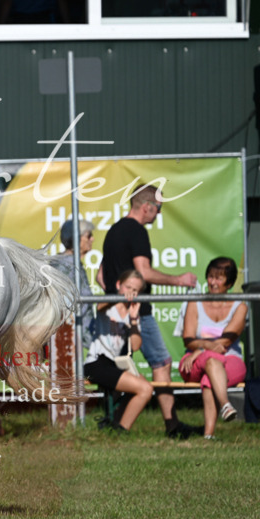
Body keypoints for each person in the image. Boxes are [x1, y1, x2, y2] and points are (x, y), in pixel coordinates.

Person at [99, 185, 201, 438]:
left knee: (120, 367)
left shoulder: (113, 231)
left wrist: (117, 296)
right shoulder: (137, 231)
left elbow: (101, 276)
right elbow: (143, 272)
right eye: (158, 209)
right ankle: (172, 425)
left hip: (114, 311)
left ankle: (114, 421)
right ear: (146, 207)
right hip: (138, 312)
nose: (158, 215)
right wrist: (179, 280)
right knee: (161, 362)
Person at [177, 257, 248, 438]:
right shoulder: (195, 302)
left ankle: (208, 435)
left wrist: (201, 348)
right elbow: (188, 339)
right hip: (193, 361)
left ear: (230, 283)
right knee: (211, 360)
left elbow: (226, 341)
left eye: (219, 278)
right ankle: (225, 404)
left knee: (209, 377)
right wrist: (203, 348)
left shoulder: (240, 307)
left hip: (230, 360)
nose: (212, 283)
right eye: (210, 277)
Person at [84, 270, 152, 432]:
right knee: (145, 389)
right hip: (96, 363)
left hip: (115, 365)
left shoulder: (133, 313)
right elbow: (100, 306)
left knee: (144, 385)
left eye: (135, 290)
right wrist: (117, 298)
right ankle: (121, 429)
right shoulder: (108, 305)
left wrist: (134, 320)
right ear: (118, 285)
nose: (131, 293)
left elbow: (135, 346)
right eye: (128, 287)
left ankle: (114, 425)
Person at [53, 218, 95, 340]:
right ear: (77, 238)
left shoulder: (67, 263)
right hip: (72, 339)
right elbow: (70, 307)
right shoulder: (67, 266)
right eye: (89, 236)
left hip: (77, 336)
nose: (92, 239)